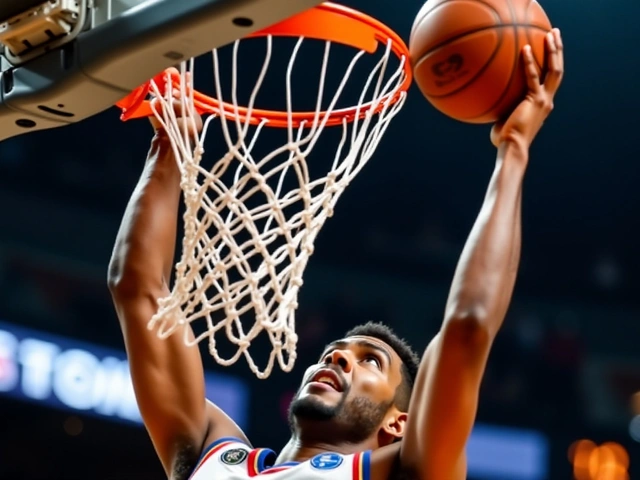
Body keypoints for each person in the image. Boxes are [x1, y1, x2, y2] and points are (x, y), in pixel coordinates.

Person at [108, 29, 564, 480]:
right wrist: (170, 143)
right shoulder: (212, 452)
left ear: (399, 424)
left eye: (370, 361)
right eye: (334, 352)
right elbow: (138, 289)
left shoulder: (405, 472)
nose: (337, 359)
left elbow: (467, 328)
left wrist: (514, 148)